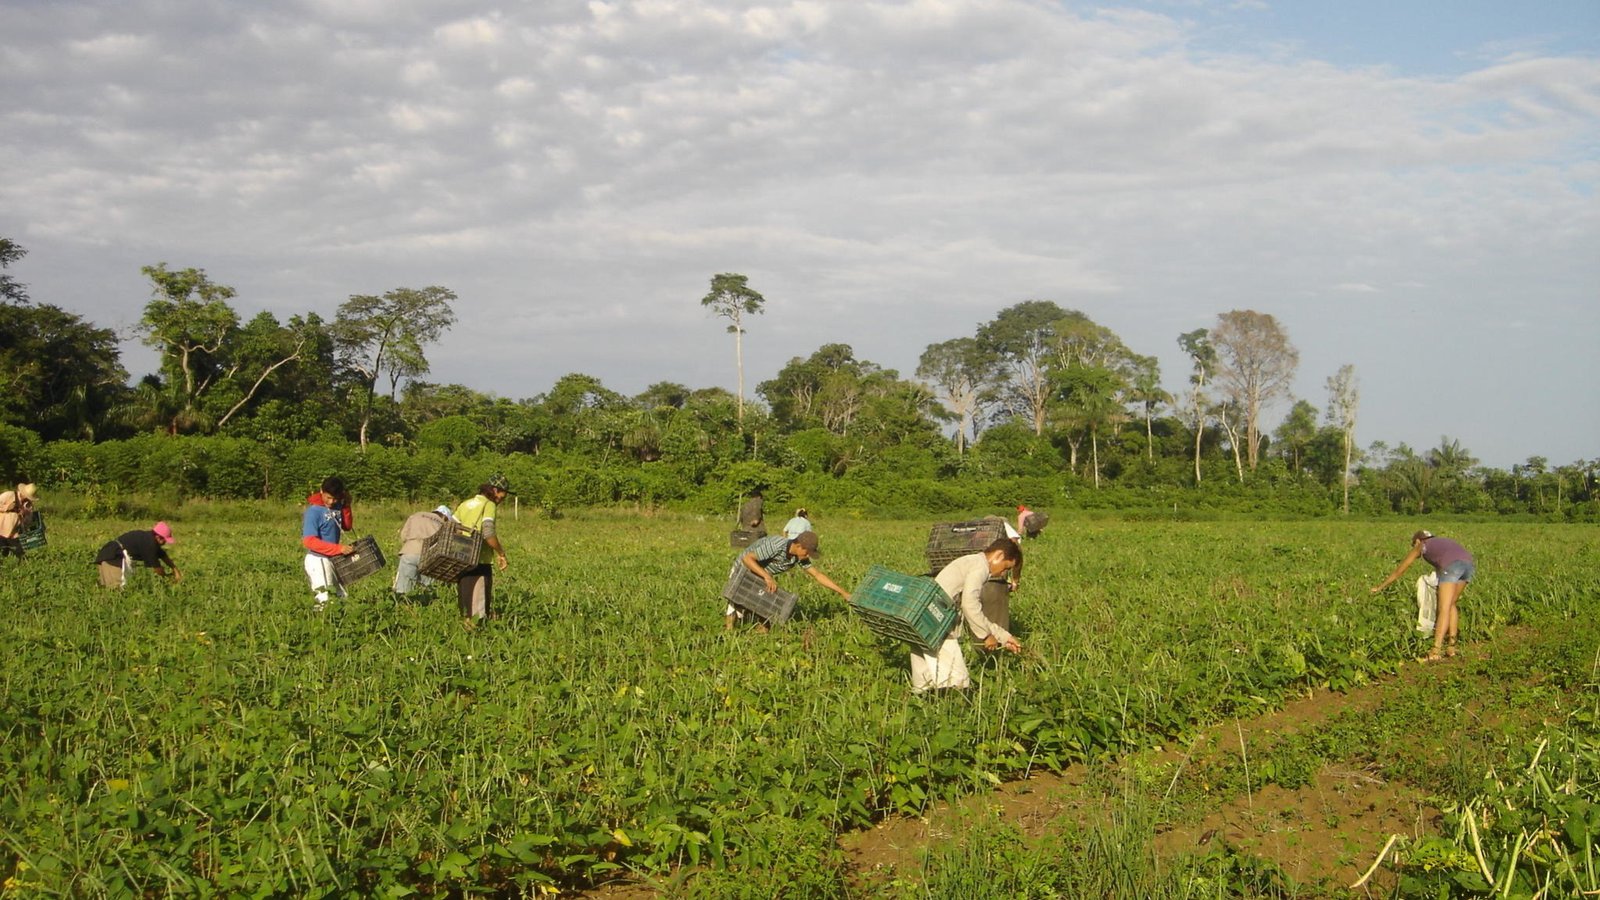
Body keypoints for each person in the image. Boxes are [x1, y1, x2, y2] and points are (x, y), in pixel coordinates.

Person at [912, 538, 1024, 693]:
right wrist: (986, 635)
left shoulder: (971, 561)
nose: (1003, 573)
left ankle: (924, 706)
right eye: (1006, 568)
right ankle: (952, 710)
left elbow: (972, 610)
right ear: (998, 555)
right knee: (958, 683)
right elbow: (970, 604)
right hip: (937, 622)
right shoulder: (981, 567)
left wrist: (1004, 637)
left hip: (921, 617)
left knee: (924, 681)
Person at [1370, 530, 1476, 661]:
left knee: (1443, 608)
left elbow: (1400, 569)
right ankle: (1451, 647)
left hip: (1452, 566)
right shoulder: (1440, 543)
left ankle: (1435, 650)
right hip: (1468, 565)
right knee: (1452, 604)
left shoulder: (1422, 545)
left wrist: (1380, 587)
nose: (1414, 548)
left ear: (1418, 541)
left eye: (1413, 544)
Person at [726, 530, 848, 630]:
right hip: (743, 569)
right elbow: (747, 559)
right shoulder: (776, 545)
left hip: (762, 575)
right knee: (737, 602)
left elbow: (817, 575)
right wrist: (767, 577)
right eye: (807, 552)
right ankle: (729, 632)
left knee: (766, 605)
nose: (808, 556)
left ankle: (761, 635)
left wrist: (843, 592)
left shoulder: (798, 556)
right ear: (799, 545)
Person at [453, 475, 511, 624]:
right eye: (502, 495)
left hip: (462, 559)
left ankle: (466, 631)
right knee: (478, 609)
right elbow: (488, 533)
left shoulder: (464, 504)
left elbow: (451, 528)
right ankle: (477, 634)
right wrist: (501, 553)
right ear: (495, 490)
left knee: (466, 605)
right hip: (480, 561)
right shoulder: (489, 505)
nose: (501, 499)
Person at [302, 477, 355, 610]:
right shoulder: (314, 511)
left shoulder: (338, 506)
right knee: (324, 598)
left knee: (342, 596)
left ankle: (339, 626)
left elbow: (347, 526)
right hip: (318, 558)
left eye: (335, 499)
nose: (331, 502)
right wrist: (339, 548)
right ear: (321, 491)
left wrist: (346, 505)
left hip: (333, 558)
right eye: (328, 498)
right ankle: (320, 625)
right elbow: (309, 541)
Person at [96, 522, 181, 588]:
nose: (165, 543)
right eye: (164, 540)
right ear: (158, 537)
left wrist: (175, 569)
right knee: (116, 589)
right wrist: (168, 578)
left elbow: (162, 555)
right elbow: (157, 569)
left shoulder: (149, 538)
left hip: (108, 555)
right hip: (112, 558)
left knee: (109, 589)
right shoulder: (149, 544)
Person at [394, 504, 453, 599]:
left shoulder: (416, 515)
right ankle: (426, 605)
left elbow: (403, 535)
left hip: (410, 552)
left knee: (403, 588)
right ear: (446, 517)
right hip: (430, 556)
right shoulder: (443, 524)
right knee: (428, 588)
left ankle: (402, 606)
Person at [0, 482, 38, 559]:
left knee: (20, 552)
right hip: (1, 530)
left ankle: (22, 566)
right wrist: (6, 507)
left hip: (14, 532)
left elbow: (28, 520)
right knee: (3, 552)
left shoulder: (28, 504)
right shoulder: (9, 495)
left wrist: (25, 514)